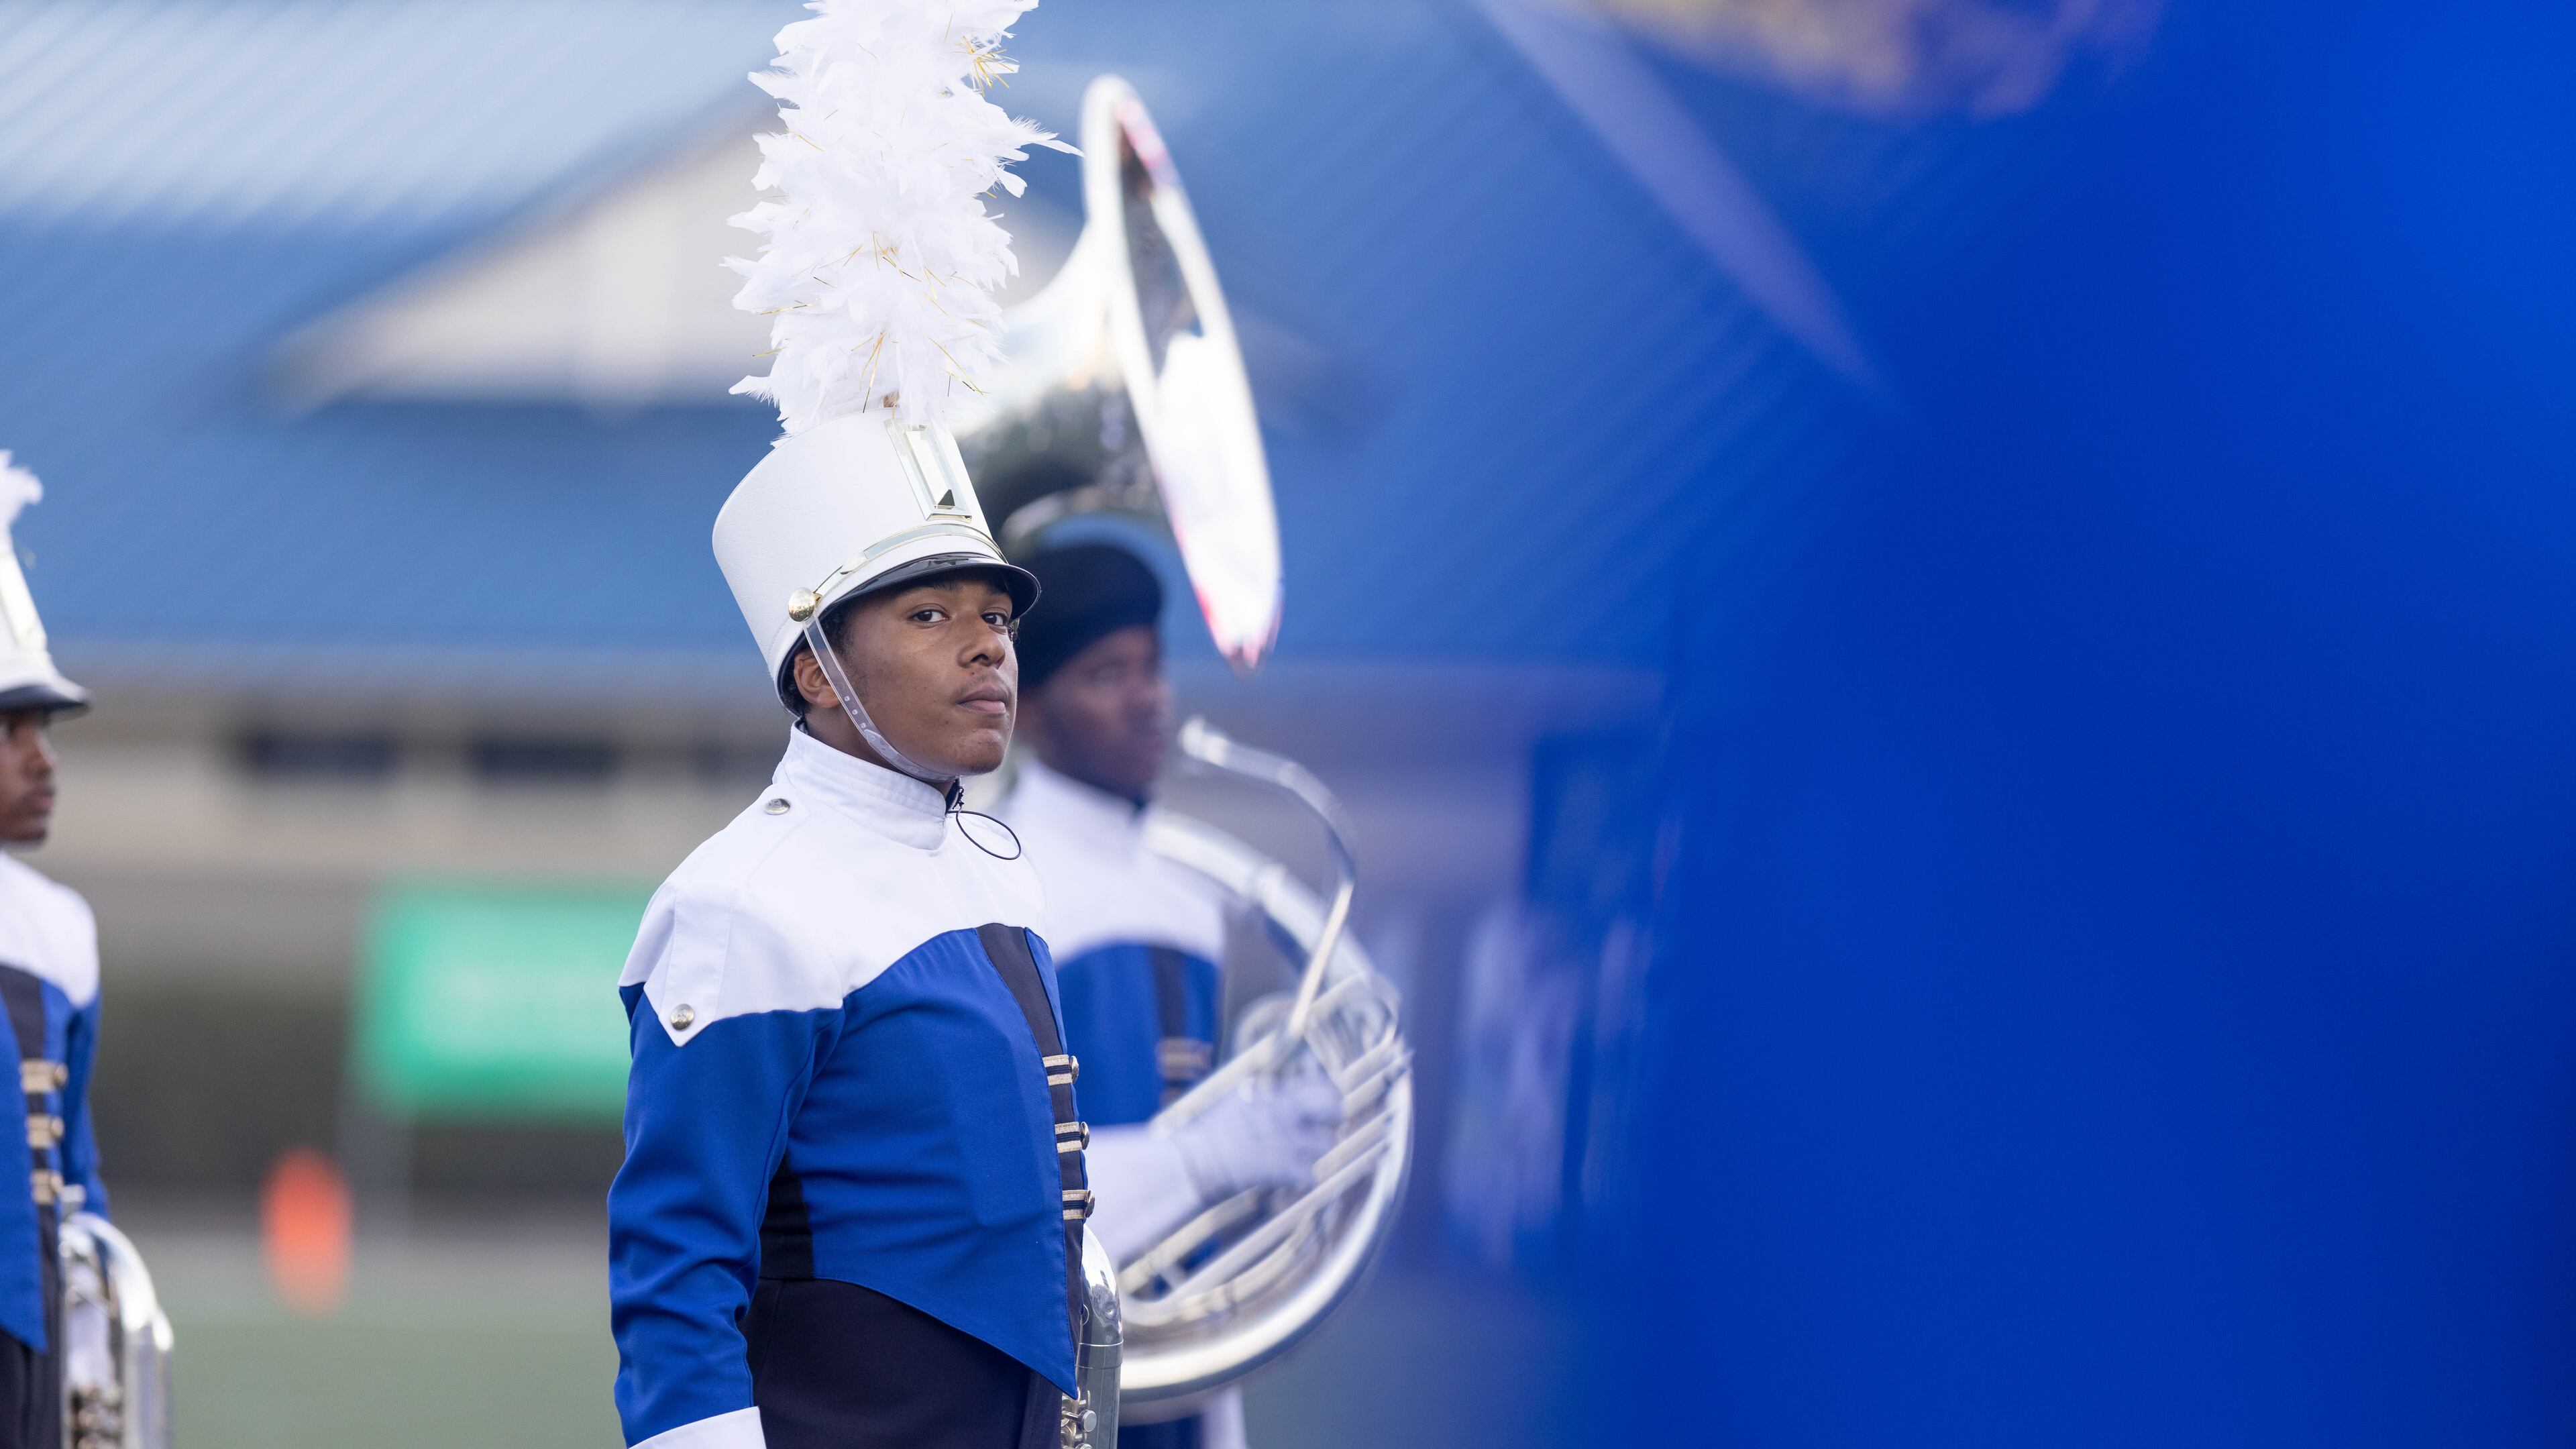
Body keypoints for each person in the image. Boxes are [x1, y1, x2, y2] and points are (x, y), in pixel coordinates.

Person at [607, 417, 1086, 1449]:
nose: (987, 645)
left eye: (997, 615)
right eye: (929, 613)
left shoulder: (997, 874)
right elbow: (677, 1268)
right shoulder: (743, 901)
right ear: (818, 672)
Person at [997, 542, 1344, 1449]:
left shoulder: (1193, 893)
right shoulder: (1000, 884)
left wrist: (1277, 1148)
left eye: (1151, 666)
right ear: (1030, 710)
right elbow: (998, 1191)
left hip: (1183, 1377)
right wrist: (1200, 1161)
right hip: (1042, 1387)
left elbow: (1195, 1130)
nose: (1149, 696)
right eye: (1107, 674)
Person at [0, 456, 107, 1449]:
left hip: (22, 1316)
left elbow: (72, 1162)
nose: (44, 759)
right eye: (11, 729)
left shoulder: (58, 930)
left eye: (45, 728)